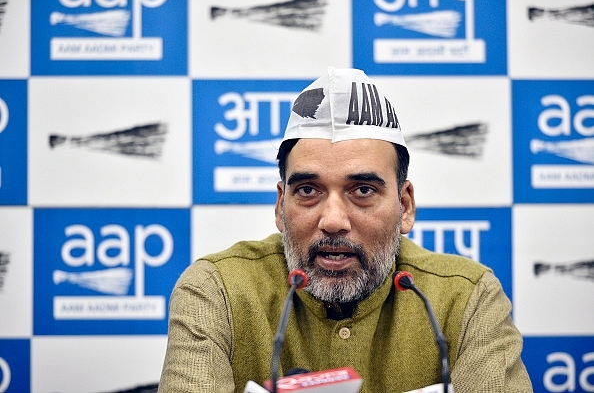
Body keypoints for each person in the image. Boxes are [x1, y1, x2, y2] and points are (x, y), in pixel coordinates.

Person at [158, 67, 533, 393]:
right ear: (279, 206)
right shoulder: (217, 291)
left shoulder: (466, 299)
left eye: (363, 191)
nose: (333, 220)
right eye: (308, 190)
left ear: (405, 206)